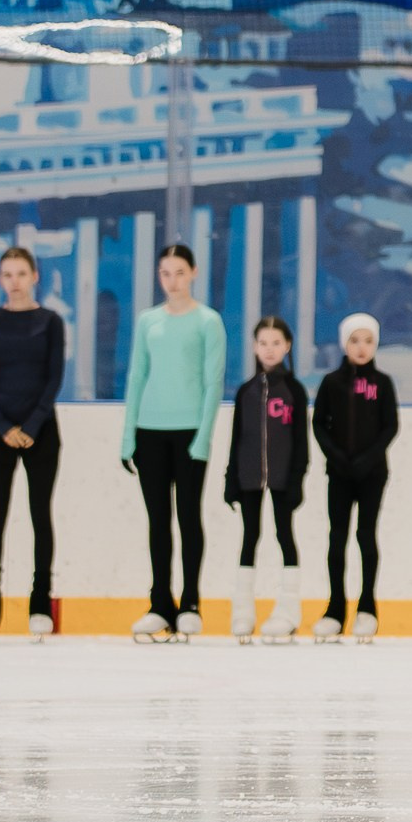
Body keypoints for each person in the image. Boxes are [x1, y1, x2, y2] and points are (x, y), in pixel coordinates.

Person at [121, 240, 226, 643]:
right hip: (149, 431)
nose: (173, 280)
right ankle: (160, 602)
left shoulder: (207, 321)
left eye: (180, 272)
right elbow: (137, 376)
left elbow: (213, 381)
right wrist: (127, 435)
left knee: (188, 516)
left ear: (194, 273)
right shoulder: (149, 320)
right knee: (158, 520)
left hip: (188, 434)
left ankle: (191, 602)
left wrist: (203, 437)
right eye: (166, 273)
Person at [0, 244, 63, 641]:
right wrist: (4, 425)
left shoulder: (50, 321)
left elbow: (54, 377)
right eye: (7, 275)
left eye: (21, 274)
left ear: (35, 276)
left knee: (40, 516)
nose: (15, 282)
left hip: (42, 431)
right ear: (0, 280)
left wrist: (31, 423)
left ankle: (40, 602)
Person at [313, 313, 398, 642]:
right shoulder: (332, 383)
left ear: (375, 344)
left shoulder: (382, 384)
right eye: (354, 340)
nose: (361, 347)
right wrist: (337, 457)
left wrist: (366, 459)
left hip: (372, 473)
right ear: (344, 344)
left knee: (366, 535)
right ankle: (335, 609)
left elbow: (390, 426)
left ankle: (367, 609)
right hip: (339, 473)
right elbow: (319, 423)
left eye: (367, 341)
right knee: (337, 537)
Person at [224, 318, 308, 645]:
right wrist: (231, 478)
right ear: (254, 346)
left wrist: (298, 477)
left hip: (283, 477)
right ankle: (243, 610)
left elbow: (301, 438)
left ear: (287, 346)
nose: (269, 349)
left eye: (276, 343)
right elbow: (237, 438)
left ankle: (288, 610)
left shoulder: (294, 391)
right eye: (263, 343)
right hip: (248, 477)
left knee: (284, 534)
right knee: (250, 536)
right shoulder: (246, 391)